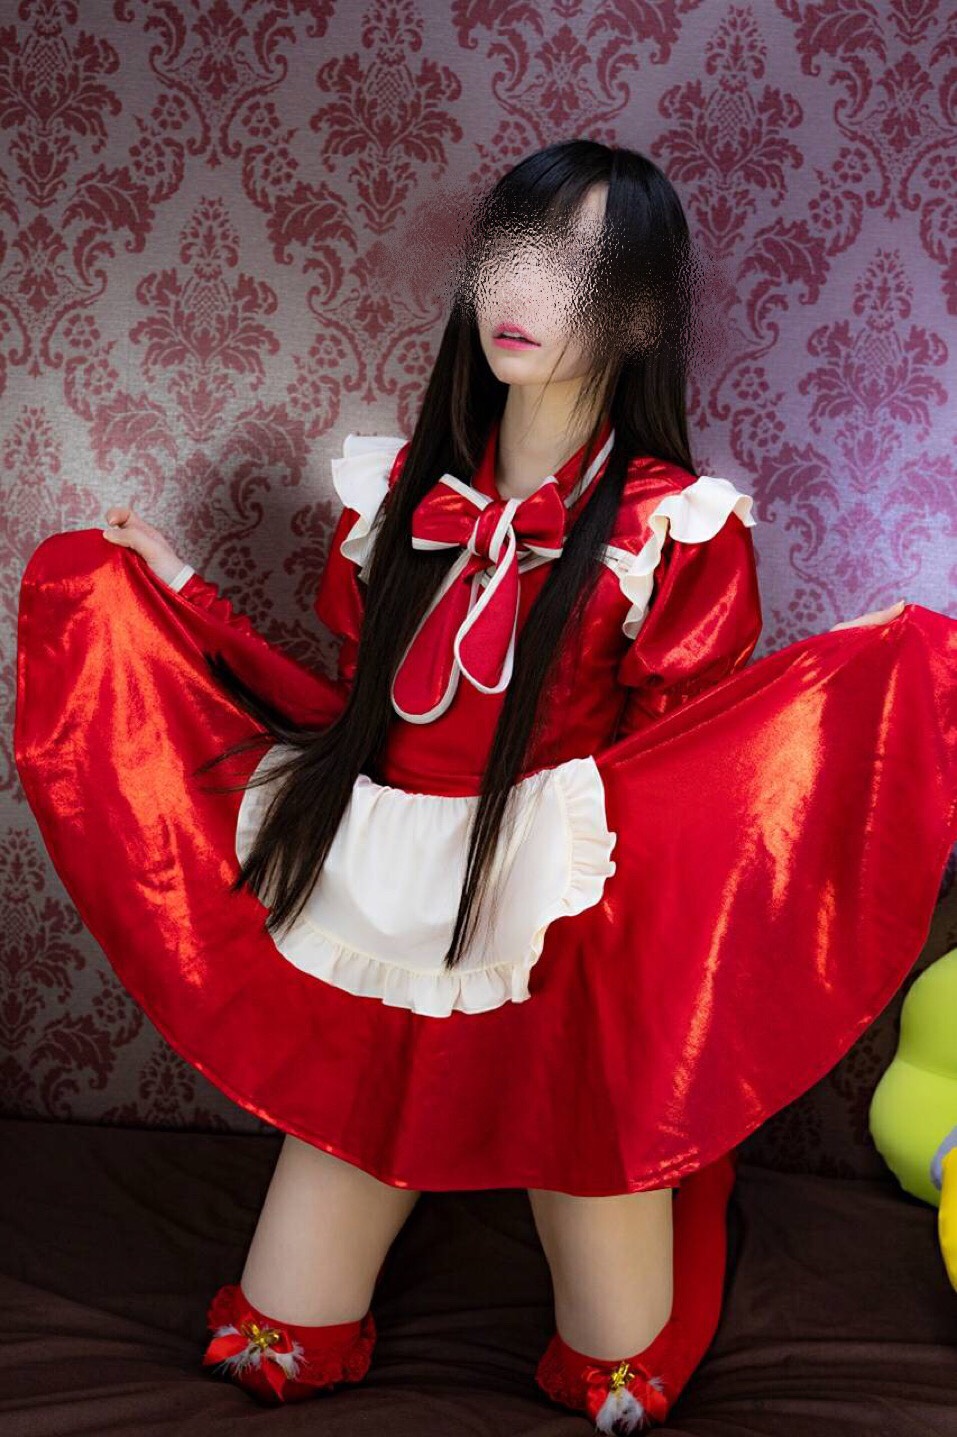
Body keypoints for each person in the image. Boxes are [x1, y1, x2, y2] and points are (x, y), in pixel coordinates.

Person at [14, 141, 957, 1433]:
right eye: (510, 252)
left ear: (641, 315)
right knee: (270, 1341)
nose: (522, 290)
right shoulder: (395, 491)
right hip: (388, 894)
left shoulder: (675, 527)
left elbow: (683, 770)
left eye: (577, 267)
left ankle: (663, 1188)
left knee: (617, 1375)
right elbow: (350, 716)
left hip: (564, 928)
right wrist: (181, 601)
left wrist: (869, 676)